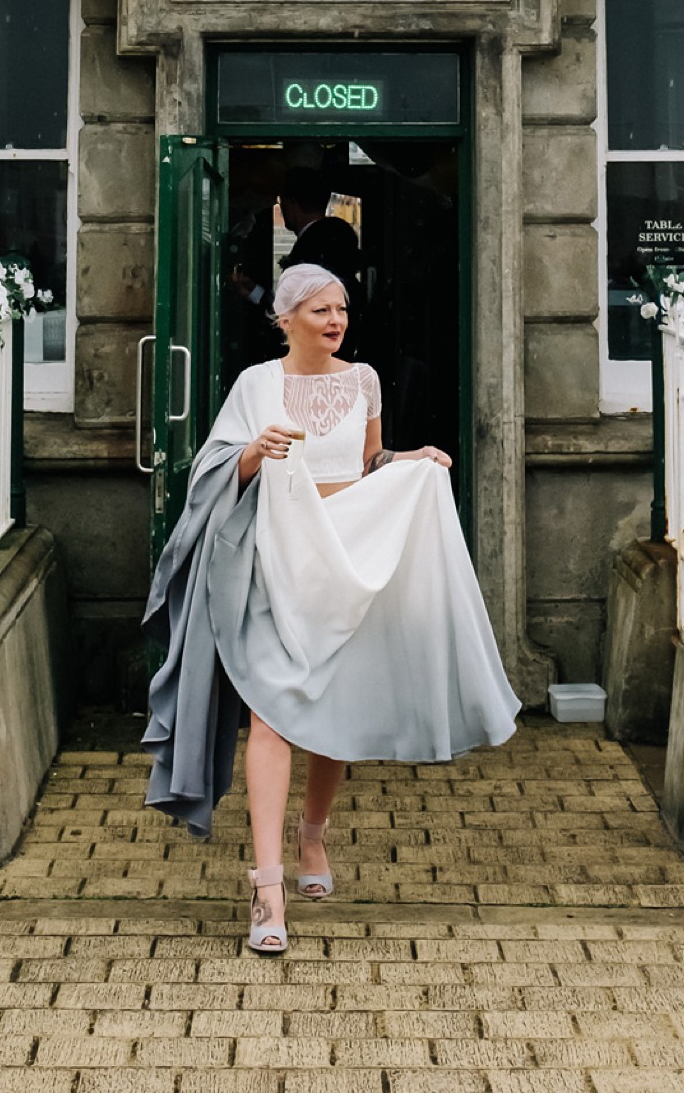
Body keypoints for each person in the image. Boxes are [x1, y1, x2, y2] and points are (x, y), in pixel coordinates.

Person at [141, 264, 519, 955]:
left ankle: (313, 832)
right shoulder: (257, 384)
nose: (336, 319)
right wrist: (252, 452)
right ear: (285, 318)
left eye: (341, 307)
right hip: (277, 563)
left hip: (348, 558)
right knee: (272, 709)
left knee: (330, 712)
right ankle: (267, 887)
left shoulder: (366, 378)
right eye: (320, 309)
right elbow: (213, 469)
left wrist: (415, 462)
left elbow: (371, 459)